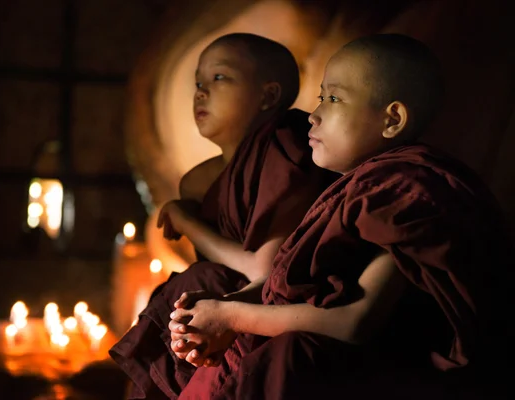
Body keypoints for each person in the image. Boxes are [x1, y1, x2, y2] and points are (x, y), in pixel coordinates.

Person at [168, 33, 515, 399]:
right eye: (320, 97)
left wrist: (233, 316)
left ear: (392, 119)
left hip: (373, 376)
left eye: (333, 98)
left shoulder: (407, 193)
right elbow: (297, 283)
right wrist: (226, 306)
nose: (314, 116)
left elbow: (355, 322)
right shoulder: (357, 188)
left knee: (290, 354)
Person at [109, 33, 338, 399]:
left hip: (262, 312)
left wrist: (188, 224)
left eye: (220, 78)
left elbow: (262, 271)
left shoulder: (288, 145)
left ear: (269, 95)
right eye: (198, 83)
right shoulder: (199, 181)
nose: (201, 92)